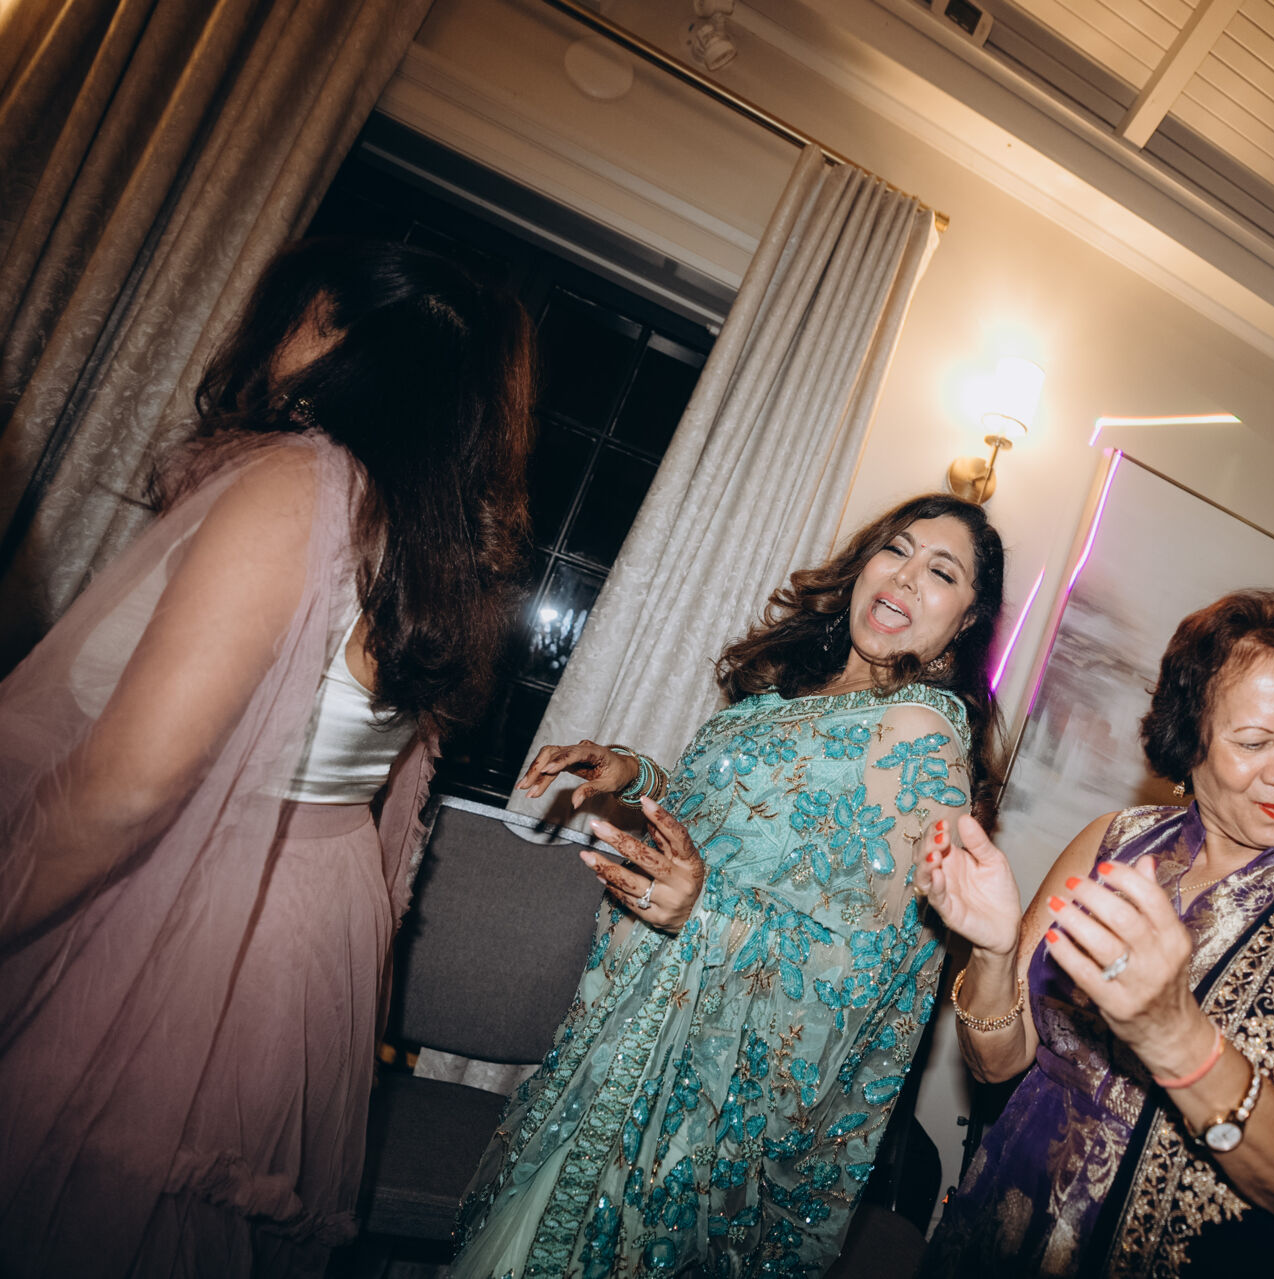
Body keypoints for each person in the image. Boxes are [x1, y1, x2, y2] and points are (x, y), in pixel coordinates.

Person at [0, 238, 535, 1275]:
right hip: (305, 914)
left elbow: (130, 785)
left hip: (187, 913)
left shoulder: (299, 486)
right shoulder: (433, 540)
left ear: (331, 323)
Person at [452, 494, 1006, 1279]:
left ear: (966, 619)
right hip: (630, 1034)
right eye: (897, 548)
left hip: (693, 1105)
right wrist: (635, 775)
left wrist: (706, 913)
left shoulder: (920, 735)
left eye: (941, 572)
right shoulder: (799, 693)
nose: (907, 576)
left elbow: (868, 967)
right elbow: (745, 833)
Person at [921, 589, 1274, 1277]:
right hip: (1013, 1222)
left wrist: (1177, 1038)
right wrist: (993, 953)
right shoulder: (1114, 840)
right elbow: (997, 1064)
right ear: (1187, 734)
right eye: (1254, 742)